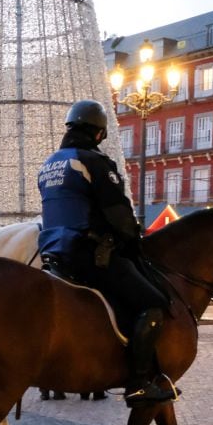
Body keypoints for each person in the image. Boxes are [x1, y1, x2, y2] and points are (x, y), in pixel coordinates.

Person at [37, 99, 175, 405]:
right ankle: (140, 382)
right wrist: (133, 240)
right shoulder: (94, 162)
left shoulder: (50, 164)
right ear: (98, 133)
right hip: (90, 255)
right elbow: (118, 214)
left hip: (53, 254)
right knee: (153, 302)